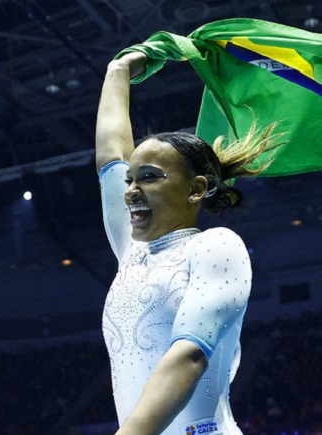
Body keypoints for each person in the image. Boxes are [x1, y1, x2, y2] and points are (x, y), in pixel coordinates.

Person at [95, 51, 279, 435]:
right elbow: (110, 154)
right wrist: (118, 70)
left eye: (149, 177)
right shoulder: (132, 251)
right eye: (130, 180)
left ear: (196, 189)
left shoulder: (216, 247)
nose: (130, 190)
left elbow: (189, 356)